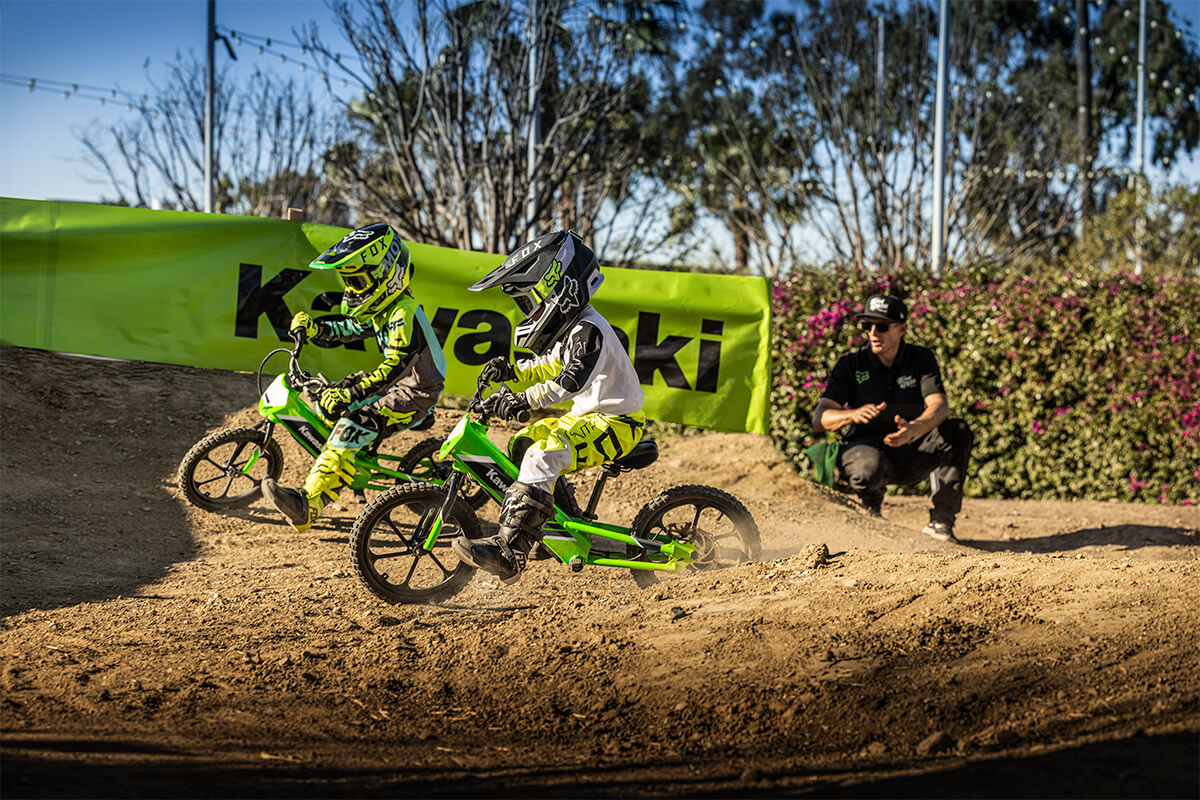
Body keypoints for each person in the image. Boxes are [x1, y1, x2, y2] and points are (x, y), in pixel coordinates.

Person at [452, 230, 646, 583]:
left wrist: (522, 399)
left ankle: (510, 553)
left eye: (532, 302)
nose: (530, 311)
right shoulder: (573, 328)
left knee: (542, 455)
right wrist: (511, 371)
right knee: (522, 443)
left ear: (560, 289)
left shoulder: (589, 331)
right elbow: (549, 366)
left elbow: (568, 383)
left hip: (617, 423)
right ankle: (553, 525)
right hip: (592, 416)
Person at [261, 223, 446, 532]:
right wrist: (317, 328)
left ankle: (309, 505)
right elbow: (351, 330)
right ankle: (348, 461)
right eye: (348, 282)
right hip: (397, 384)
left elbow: (394, 366)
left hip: (415, 391)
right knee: (326, 398)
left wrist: (352, 394)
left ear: (388, 273)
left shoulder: (403, 312)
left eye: (359, 281)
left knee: (349, 424)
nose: (353, 291)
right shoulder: (384, 309)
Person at [811, 294, 973, 542]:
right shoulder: (850, 364)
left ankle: (941, 522)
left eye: (882, 326)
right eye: (867, 325)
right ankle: (871, 512)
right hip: (865, 452)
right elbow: (820, 419)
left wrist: (914, 429)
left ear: (902, 329)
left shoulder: (921, 359)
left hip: (912, 448)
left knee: (958, 430)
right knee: (867, 466)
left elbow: (940, 407)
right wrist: (851, 414)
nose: (873, 332)